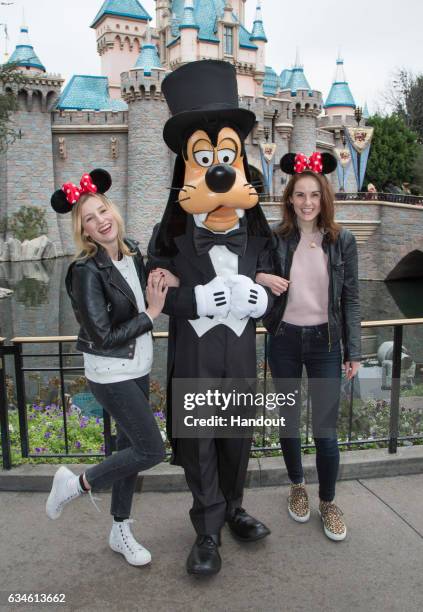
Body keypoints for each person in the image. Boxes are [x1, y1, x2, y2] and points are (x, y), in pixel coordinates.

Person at [148, 60, 273, 576]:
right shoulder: (171, 231)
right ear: (188, 163)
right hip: (197, 352)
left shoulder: (258, 226)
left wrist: (261, 300)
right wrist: (197, 300)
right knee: (200, 441)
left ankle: (236, 508)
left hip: (242, 350)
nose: (218, 167)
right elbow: (156, 294)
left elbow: (276, 285)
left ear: (238, 158)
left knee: (236, 433)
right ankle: (206, 531)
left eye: (226, 155)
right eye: (206, 156)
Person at [46, 169, 169, 566]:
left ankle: (120, 529)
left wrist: (165, 282)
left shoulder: (131, 250)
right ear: (83, 230)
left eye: (102, 211)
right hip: (110, 373)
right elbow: (101, 335)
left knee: (129, 447)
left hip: (137, 366)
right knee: (151, 449)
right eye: (89, 218)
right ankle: (77, 484)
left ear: (112, 211)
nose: (100, 221)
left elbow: (145, 291)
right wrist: (151, 315)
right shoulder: (85, 270)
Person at [256, 151, 361, 541]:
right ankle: (297, 486)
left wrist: (354, 351)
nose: (307, 203)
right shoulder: (277, 238)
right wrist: (263, 276)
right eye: (300, 195)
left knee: (325, 430)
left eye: (314, 195)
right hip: (283, 340)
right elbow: (248, 271)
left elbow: (350, 298)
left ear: (324, 198)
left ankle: (328, 501)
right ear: (290, 199)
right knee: (288, 421)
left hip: (326, 343)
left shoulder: (342, 240)